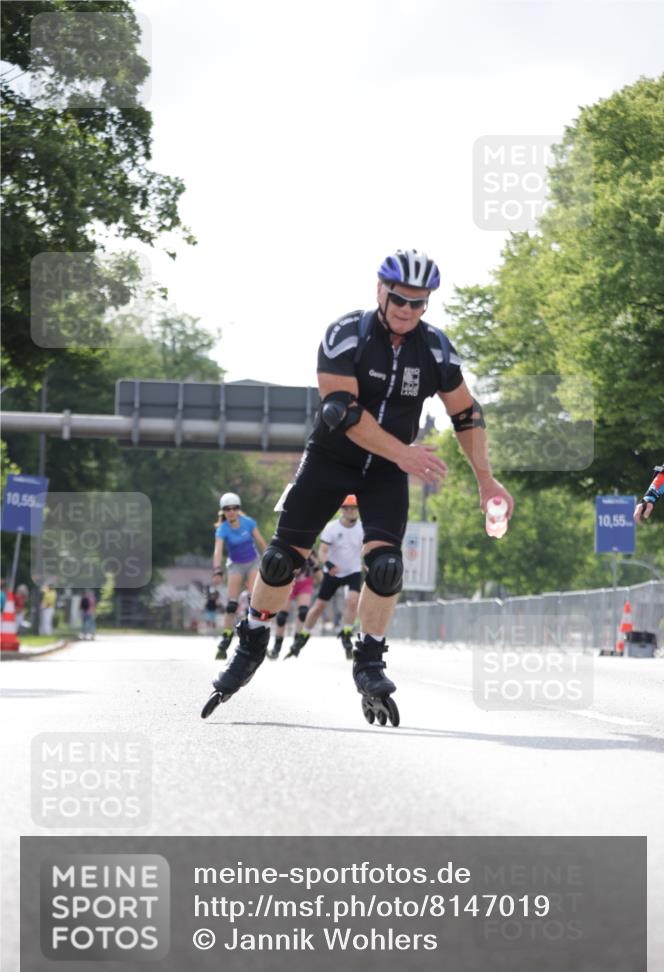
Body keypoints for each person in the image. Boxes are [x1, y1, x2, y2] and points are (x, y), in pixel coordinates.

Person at [202, 249, 513, 726]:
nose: (408, 311)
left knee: (386, 567)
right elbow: (341, 412)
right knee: (281, 560)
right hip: (331, 458)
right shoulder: (345, 335)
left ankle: (369, 661)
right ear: (379, 291)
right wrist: (406, 453)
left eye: (419, 303)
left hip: (386, 473)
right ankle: (251, 641)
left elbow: (466, 413)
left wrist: (486, 479)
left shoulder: (435, 350)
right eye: (400, 300)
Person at [285, 495, 363, 660]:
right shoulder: (332, 528)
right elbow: (322, 551)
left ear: (357, 509)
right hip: (333, 571)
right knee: (319, 606)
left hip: (353, 571)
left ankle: (347, 632)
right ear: (342, 510)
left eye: (354, 508)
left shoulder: (363, 528)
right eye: (347, 508)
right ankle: (302, 636)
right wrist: (327, 565)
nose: (350, 511)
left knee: (353, 601)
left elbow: (367, 549)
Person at [212, 492, 267, 659]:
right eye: (227, 509)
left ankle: (251, 636)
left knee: (252, 601)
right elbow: (218, 550)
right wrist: (217, 570)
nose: (231, 512)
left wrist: (269, 559)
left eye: (234, 508)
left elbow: (261, 542)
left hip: (252, 563)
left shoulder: (248, 523)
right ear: (223, 511)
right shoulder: (223, 529)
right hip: (235, 565)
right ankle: (226, 638)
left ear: (238, 509)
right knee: (231, 605)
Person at [266, 551, 321, 659]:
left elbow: (320, 577)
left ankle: (296, 642)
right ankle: (277, 647)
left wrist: (314, 563)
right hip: (288, 582)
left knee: (303, 613)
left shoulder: (311, 552)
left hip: (304, 584)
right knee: (281, 617)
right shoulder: (289, 547)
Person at [633, 457, 664, 523]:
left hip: (656, 486)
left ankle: (643, 519)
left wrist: (642, 518)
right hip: (658, 486)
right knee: (648, 506)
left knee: (647, 506)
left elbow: (656, 468)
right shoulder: (648, 503)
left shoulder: (643, 503)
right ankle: (643, 519)